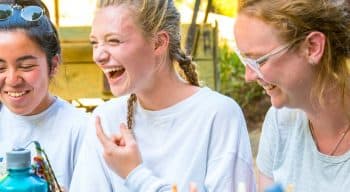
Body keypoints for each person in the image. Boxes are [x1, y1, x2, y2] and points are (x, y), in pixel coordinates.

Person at [70, 0, 256, 191]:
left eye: (114, 41)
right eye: (95, 42)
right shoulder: (105, 120)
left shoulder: (218, 115)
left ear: (158, 43)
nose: (98, 56)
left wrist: (134, 174)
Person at [233, 0, 350, 191]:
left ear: (312, 47)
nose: (249, 76)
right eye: (244, 59)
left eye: (258, 61)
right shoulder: (280, 121)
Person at [0, 0, 88, 190]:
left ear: (53, 65)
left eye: (27, 66)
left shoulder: (80, 129)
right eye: (0, 67)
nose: (12, 79)